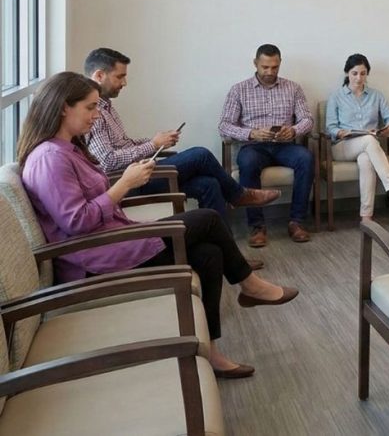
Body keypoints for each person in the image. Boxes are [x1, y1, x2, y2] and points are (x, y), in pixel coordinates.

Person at [18, 72, 300, 380]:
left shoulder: (68, 149)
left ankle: (213, 350)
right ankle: (249, 284)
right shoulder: (49, 158)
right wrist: (124, 184)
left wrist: (126, 180)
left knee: (208, 254)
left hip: (115, 241)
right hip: (97, 259)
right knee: (208, 218)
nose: (96, 115)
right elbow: (76, 221)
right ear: (63, 108)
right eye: (89, 108)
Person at [84, 48, 281, 220]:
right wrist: (152, 145)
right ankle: (239, 195)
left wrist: (156, 141)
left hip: (137, 171)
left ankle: (225, 256)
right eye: (119, 76)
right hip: (126, 182)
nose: (124, 82)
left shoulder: (106, 107)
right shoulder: (93, 113)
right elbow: (108, 161)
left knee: (210, 184)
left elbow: (123, 144)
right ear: (100, 75)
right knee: (200, 155)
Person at [219, 44, 315, 247]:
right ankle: (257, 226)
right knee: (248, 162)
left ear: (280, 64)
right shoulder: (239, 90)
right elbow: (224, 126)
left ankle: (296, 221)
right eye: (265, 67)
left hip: (284, 145)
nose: (270, 72)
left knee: (306, 157)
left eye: (275, 67)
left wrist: (294, 130)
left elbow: (307, 119)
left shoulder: (293, 88)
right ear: (255, 64)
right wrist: (251, 133)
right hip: (253, 146)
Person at [325, 53, 389, 222]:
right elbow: (330, 127)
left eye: (363, 73)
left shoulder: (376, 95)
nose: (359, 78)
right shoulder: (336, 96)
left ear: (367, 74)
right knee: (369, 140)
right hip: (343, 147)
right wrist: (340, 132)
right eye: (354, 73)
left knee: (366, 159)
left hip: (368, 148)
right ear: (347, 73)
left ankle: (366, 217)